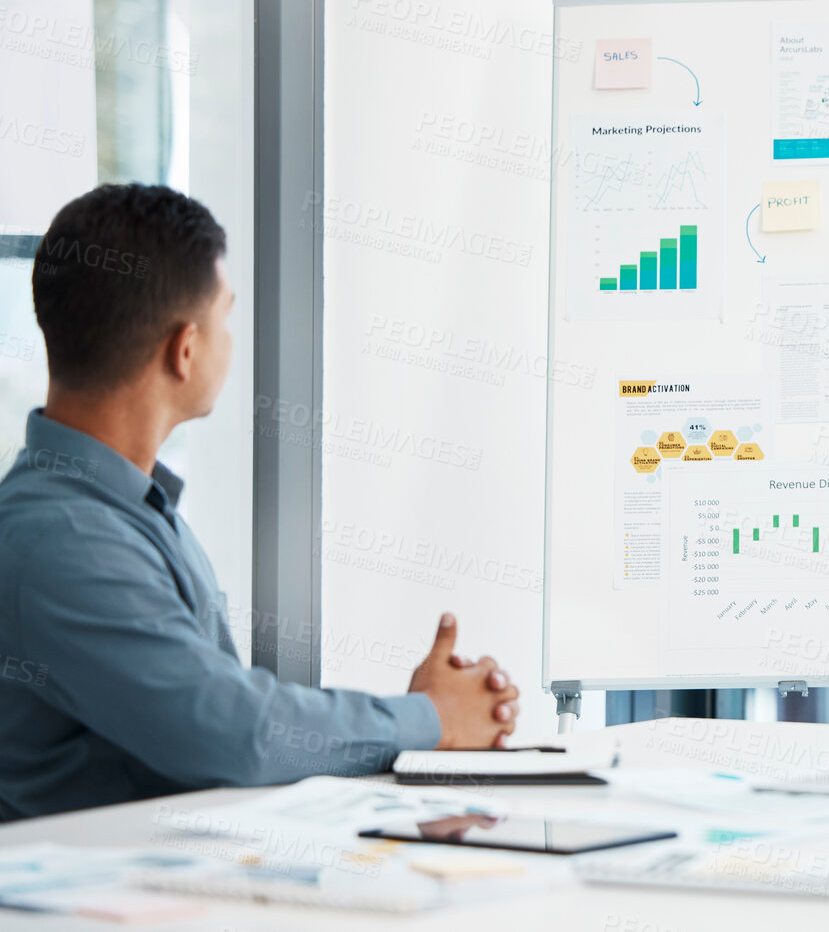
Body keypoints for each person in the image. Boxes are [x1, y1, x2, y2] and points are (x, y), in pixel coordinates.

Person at [0, 184, 520, 821]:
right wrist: (428, 719)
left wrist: (415, 722)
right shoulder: (64, 535)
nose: (231, 337)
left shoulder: (118, 508)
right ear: (184, 349)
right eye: (227, 315)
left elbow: (223, 714)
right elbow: (229, 729)